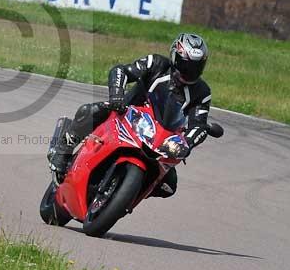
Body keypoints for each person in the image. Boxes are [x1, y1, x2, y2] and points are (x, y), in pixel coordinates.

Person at [47, 33, 212, 198]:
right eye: (185, 65)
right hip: (125, 115)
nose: (190, 72)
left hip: (161, 139)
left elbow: (199, 125)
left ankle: (127, 194)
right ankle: (62, 150)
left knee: (169, 185)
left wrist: (186, 143)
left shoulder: (202, 92)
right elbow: (121, 71)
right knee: (90, 111)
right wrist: (117, 96)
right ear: (175, 57)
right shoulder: (156, 64)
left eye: (196, 67)